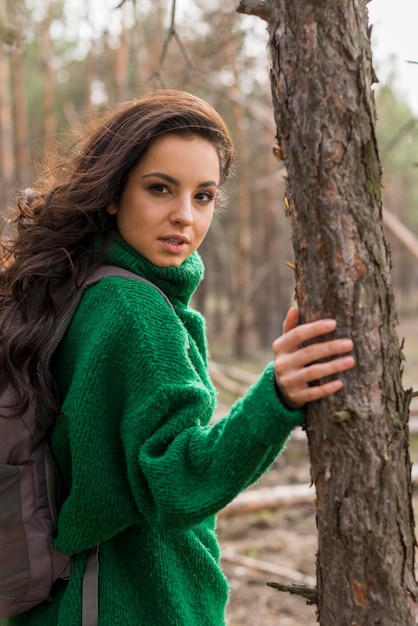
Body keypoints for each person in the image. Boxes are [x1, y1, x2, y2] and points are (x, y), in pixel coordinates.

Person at [0, 90, 354, 626]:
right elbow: (178, 482)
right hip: (127, 603)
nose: (184, 217)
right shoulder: (133, 309)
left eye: (204, 195)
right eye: (160, 188)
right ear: (114, 193)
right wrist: (275, 397)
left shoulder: (78, 286)